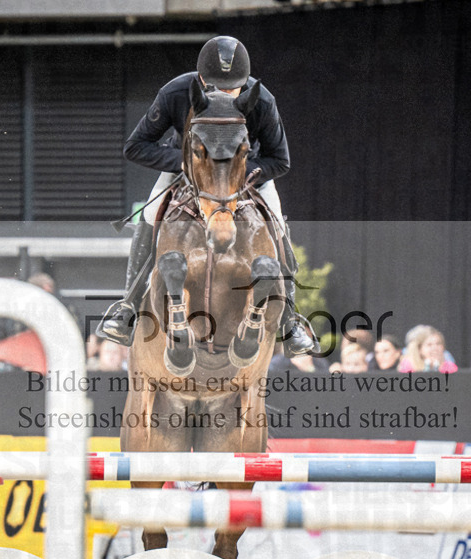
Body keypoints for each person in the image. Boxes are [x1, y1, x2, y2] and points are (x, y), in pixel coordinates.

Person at [97, 36, 317, 358]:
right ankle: (128, 306)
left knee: (277, 221)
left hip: (244, 175)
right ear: (200, 81)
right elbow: (136, 146)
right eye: (216, 87)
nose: (225, 94)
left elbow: (280, 160)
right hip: (189, 169)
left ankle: (290, 320)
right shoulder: (175, 93)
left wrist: (238, 171)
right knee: (149, 213)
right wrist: (189, 164)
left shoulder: (262, 100)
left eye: (233, 89)